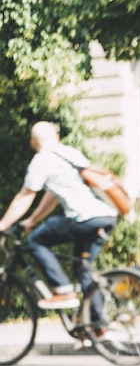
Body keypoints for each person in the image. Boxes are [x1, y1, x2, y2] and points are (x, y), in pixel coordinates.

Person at [0, 121, 118, 315]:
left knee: (35, 240)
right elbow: (52, 195)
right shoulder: (70, 153)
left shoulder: (42, 159)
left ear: (33, 142)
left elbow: (25, 196)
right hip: (105, 216)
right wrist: (33, 220)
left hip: (83, 218)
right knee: (82, 269)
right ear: (56, 137)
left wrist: (4, 223)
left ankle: (64, 292)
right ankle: (98, 328)